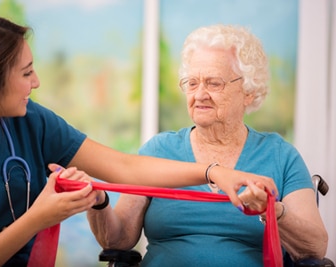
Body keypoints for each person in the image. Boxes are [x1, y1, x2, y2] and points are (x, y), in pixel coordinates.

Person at [0, 14, 278, 267]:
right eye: (26, 73)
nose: (37, 82)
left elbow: (123, 166)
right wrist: (38, 217)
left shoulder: (30, 122)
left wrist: (213, 173)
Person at [86, 25, 329, 266]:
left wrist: (272, 212)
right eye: (192, 83)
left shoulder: (280, 156)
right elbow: (118, 240)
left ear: (248, 92)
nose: (199, 94)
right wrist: (99, 202)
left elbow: (314, 247)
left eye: (213, 83)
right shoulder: (158, 150)